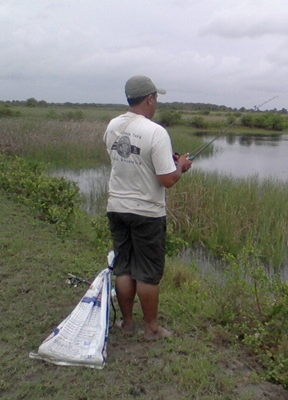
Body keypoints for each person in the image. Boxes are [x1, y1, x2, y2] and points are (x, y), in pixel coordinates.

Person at [103, 75, 192, 340]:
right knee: (148, 273)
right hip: (147, 212)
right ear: (150, 98)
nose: (156, 103)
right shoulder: (156, 131)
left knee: (125, 266)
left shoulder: (112, 126)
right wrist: (181, 167)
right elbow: (167, 180)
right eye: (156, 98)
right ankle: (151, 328)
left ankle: (128, 324)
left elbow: (126, 158)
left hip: (116, 207)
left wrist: (168, 161)